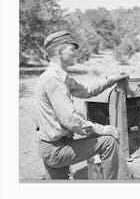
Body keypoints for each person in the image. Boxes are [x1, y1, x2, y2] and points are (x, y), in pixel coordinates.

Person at [35, 30, 131, 180]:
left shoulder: (57, 77)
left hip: (51, 146)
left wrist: (111, 80)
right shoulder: (53, 80)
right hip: (57, 149)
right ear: (60, 52)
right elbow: (71, 120)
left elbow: (85, 90)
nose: (75, 53)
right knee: (109, 142)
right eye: (72, 49)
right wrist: (103, 129)